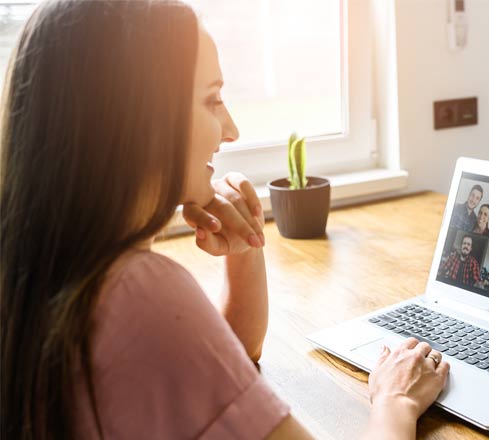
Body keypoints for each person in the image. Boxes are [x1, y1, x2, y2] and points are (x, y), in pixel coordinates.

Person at [0, 2, 449, 439]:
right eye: (212, 99)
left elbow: (224, 361)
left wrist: (243, 251)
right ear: (138, 117)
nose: (231, 129)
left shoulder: (47, 263)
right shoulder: (136, 290)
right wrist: (396, 403)